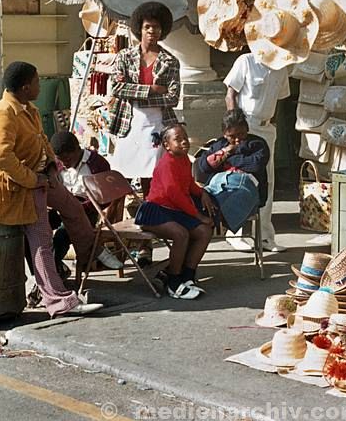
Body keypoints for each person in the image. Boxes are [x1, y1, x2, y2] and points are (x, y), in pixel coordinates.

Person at [0, 62, 103, 316]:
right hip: (21, 188)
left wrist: (51, 167)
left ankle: (92, 255)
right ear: (25, 87)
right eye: (36, 81)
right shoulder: (6, 112)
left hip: (43, 179)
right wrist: (31, 178)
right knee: (41, 243)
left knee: (72, 210)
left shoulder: (29, 109)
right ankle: (58, 300)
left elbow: (42, 139)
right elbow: (3, 155)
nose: (39, 85)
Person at [108, 1, 180, 197]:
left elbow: (173, 97)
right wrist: (151, 90)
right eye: (147, 26)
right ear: (139, 28)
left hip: (157, 123)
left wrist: (134, 93)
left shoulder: (170, 61)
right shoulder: (124, 57)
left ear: (162, 30)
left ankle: (152, 216)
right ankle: (113, 223)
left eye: (156, 27)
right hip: (128, 121)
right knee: (121, 175)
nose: (151, 31)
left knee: (153, 175)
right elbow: (116, 88)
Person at [134, 124, 215, 300]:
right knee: (181, 234)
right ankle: (173, 281)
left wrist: (202, 193)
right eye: (178, 139)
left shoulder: (184, 159)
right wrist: (198, 215)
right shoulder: (167, 164)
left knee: (204, 231)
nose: (184, 141)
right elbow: (175, 194)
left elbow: (189, 184)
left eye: (185, 137)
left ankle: (187, 275)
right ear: (167, 145)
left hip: (174, 210)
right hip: (155, 210)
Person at [224, 52, 290, 252]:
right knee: (241, 177)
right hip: (246, 125)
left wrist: (272, 125)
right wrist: (235, 128)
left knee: (267, 181)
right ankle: (234, 233)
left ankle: (265, 237)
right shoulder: (246, 61)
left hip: (267, 127)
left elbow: (279, 100)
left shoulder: (282, 67)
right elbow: (230, 94)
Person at [49, 131, 123, 279]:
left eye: (68, 159)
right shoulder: (57, 165)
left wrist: (80, 207)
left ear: (77, 149)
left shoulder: (96, 164)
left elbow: (104, 198)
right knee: (34, 229)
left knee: (62, 235)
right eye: (61, 160)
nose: (64, 163)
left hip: (88, 210)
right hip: (62, 206)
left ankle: (52, 273)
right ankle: (54, 270)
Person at [198, 108, 270, 232]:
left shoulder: (258, 144)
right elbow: (204, 166)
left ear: (247, 129)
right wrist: (225, 151)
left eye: (241, 134)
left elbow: (255, 165)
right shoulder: (219, 145)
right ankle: (213, 216)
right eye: (232, 136)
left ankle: (217, 217)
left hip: (246, 190)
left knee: (237, 186)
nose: (237, 140)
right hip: (218, 187)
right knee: (204, 196)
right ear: (224, 134)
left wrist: (228, 156)